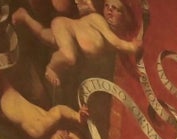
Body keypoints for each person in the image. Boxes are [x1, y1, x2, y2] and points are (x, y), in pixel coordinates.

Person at [14, 0, 143, 88]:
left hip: (70, 37)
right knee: (69, 57)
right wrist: (131, 47)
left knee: (43, 34)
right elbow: (116, 43)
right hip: (64, 28)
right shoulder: (98, 20)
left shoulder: (114, 32)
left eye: (115, 9)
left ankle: (25, 17)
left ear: (124, 15)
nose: (109, 11)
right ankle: (52, 67)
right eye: (107, 6)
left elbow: (117, 47)